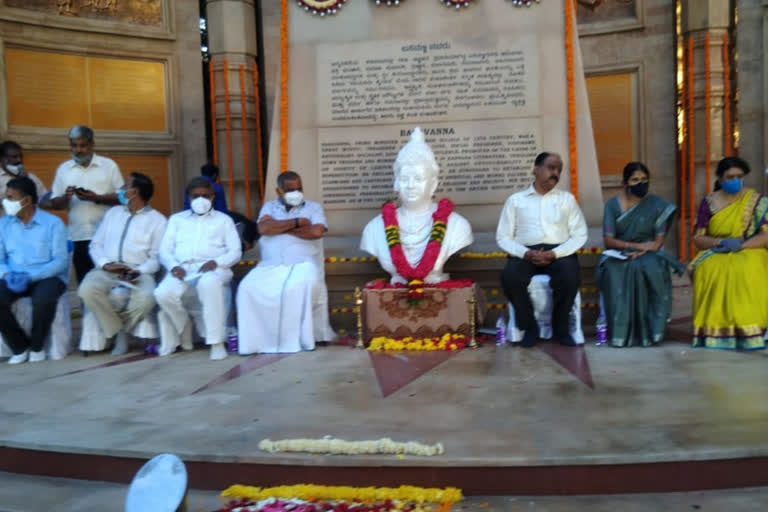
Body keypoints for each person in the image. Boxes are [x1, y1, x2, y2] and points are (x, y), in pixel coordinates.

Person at [496, 152, 588, 347]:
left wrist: (555, 253)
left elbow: (580, 235)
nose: (555, 173)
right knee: (510, 277)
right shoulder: (516, 200)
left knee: (570, 277)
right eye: (551, 168)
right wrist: (526, 253)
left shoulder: (567, 200)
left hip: (559, 252)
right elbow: (503, 237)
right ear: (536, 169)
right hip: (525, 252)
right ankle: (529, 327)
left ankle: (561, 328)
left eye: (559, 170)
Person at [237, 171, 334, 354]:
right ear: (278, 190)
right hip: (270, 266)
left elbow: (316, 232)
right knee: (246, 288)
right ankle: (258, 343)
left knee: (295, 288)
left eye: (299, 188)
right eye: (290, 190)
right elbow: (263, 228)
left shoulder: (313, 208)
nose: (296, 193)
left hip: (302, 264)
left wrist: (280, 228)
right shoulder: (269, 207)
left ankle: (294, 341)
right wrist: (298, 222)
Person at [360, 127, 473, 284]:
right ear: (396, 182)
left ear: (433, 184)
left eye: (418, 179)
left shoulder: (457, 225)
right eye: (405, 178)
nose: (410, 185)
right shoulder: (374, 228)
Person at [596, 162, 684, 347]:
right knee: (614, 270)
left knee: (652, 267)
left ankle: (652, 331)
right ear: (625, 182)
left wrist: (644, 249)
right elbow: (609, 240)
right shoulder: (613, 205)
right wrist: (633, 246)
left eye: (644, 179)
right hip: (619, 252)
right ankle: (622, 332)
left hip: (648, 253)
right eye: (635, 179)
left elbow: (657, 242)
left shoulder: (658, 206)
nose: (640, 183)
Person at [78, 173, 167, 355]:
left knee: (148, 298)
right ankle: (118, 331)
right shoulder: (113, 213)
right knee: (86, 290)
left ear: (134, 192)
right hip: (106, 269)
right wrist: (105, 264)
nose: (120, 190)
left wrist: (138, 270)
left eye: (125, 186)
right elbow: (96, 244)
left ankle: (121, 331)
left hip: (138, 271)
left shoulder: (158, 220)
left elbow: (157, 258)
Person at [154, 177, 241, 360]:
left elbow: (235, 251)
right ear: (188, 198)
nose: (201, 200)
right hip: (183, 268)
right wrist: (174, 266)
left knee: (208, 284)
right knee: (162, 293)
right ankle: (183, 322)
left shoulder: (224, 220)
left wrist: (217, 262)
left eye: (205, 196)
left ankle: (216, 343)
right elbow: (164, 250)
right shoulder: (177, 220)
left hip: (214, 268)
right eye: (196, 196)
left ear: (212, 197)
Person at [690, 156, 768, 350]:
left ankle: (750, 330)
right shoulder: (709, 203)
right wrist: (721, 242)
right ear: (720, 178)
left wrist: (742, 245)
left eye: (739, 176)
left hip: (749, 248)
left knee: (746, 268)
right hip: (716, 250)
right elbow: (698, 238)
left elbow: (766, 235)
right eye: (730, 176)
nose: (735, 180)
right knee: (710, 269)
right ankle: (714, 331)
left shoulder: (756, 201)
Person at [0, 177, 68, 364]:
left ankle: (37, 347)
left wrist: (31, 276)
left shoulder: (53, 223)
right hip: (13, 276)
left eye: (10, 198)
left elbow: (60, 261)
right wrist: (6, 274)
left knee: (43, 299)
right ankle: (19, 347)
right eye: (6, 197)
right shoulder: (3, 225)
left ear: (27, 200)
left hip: (47, 276)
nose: (6, 202)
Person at [45, 126, 123, 284]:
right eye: (74, 145)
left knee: (111, 284)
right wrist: (66, 198)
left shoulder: (109, 166)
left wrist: (97, 198)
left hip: (107, 236)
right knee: (85, 284)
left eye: (83, 145)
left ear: (92, 145)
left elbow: (123, 197)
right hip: (79, 237)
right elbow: (54, 202)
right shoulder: (64, 169)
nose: (78, 150)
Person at [0, 141, 48, 211]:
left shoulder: (31, 177)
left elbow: (44, 201)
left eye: (21, 156)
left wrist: (26, 182)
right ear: (2, 158)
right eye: (14, 157)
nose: (19, 160)